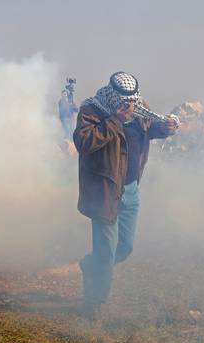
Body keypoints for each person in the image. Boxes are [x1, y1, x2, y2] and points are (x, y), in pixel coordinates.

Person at [73, 72, 178, 320]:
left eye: (133, 101)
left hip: (130, 190)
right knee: (106, 253)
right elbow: (84, 142)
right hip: (105, 191)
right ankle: (94, 304)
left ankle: (91, 265)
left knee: (125, 247)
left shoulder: (139, 110)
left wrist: (167, 127)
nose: (130, 106)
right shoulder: (93, 110)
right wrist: (114, 121)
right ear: (112, 95)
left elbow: (150, 128)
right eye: (125, 101)